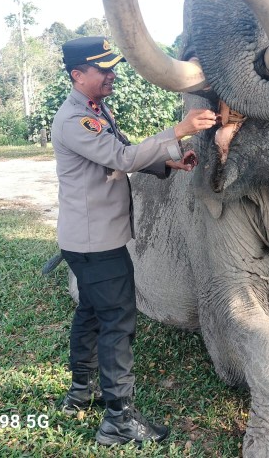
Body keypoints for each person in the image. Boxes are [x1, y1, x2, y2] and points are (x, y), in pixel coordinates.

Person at [51, 36, 217, 446]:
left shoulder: (95, 109)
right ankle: (118, 421)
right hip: (96, 244)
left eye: (112, 67)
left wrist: (169, 161)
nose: (112, 75)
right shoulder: (75, 120)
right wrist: (180, 129)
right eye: (102, 69)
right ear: (77, 75)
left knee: (91, 312)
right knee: (118, 324)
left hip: (90, 239)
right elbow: (122, 160)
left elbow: (120, 151)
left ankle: (79, 393)